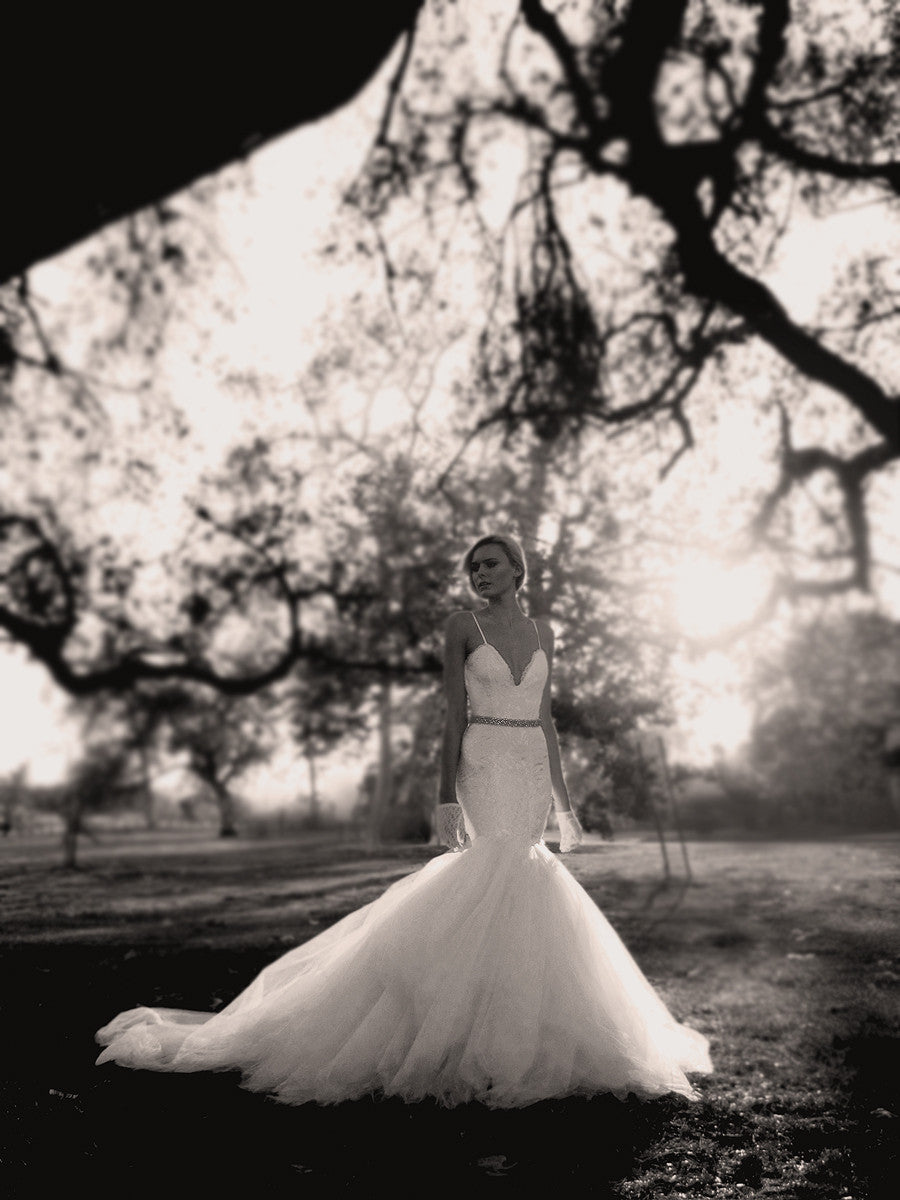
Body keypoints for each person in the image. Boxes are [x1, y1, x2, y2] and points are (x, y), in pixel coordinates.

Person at [95, 535, 711, 1108]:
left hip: (528, 758)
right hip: (483, 755)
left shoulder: (544, 629)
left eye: (491, 562)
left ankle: (517, 1029)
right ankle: (447, 1031)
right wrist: (445, 796)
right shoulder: (461, 626)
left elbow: (546, 719)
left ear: (518, 570)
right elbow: (453, 716)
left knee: (528, 875)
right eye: (474, 566)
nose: (480, 572)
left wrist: (566, 803)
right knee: (489, 867)